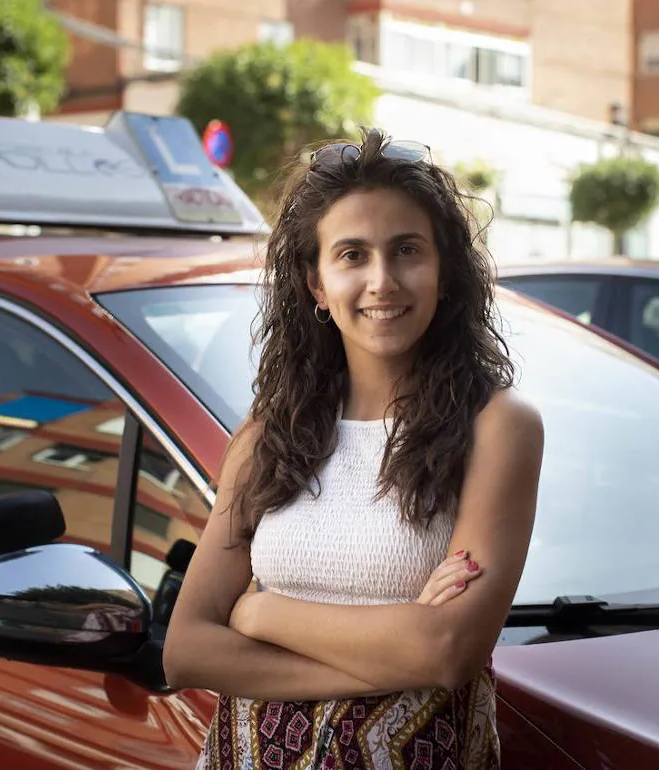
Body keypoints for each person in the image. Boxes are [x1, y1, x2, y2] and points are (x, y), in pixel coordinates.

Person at [163, 128, 545, 769]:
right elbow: (188, 650)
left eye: (406, 250)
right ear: (316, 284)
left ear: (444, 270)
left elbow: (447, 649)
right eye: (352, 255)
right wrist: (394, 656)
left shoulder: (498, 428)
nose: (382, 280)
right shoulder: (268, 433)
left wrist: (259, 611)